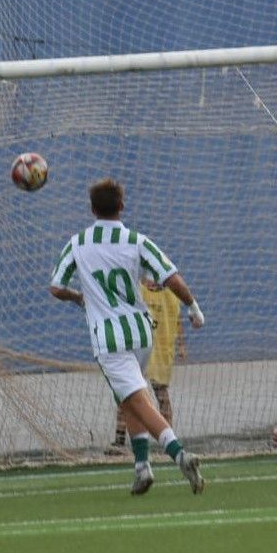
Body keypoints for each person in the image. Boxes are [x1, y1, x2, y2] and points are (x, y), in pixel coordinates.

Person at [50, 178, 206, 495]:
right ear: (122, 206)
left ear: (92, 209)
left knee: (137, 399)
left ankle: (179, 455)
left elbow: (55, 287)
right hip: (140, 332)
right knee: (127, 398)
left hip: (109, 340)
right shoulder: (137, 240)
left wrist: (78, 297)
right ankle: (141, 468)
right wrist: (193, 307)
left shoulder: (77, 243)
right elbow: (171, 278)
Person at [110, 279, 183, 451]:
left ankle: (168, 437)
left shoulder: (171, 295)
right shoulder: (137, 291)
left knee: (161, 393)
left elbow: (177, 321)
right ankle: (119, 439)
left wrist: (181, 344)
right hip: (139, 348)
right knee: (127, 395)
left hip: (161, 350)